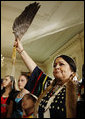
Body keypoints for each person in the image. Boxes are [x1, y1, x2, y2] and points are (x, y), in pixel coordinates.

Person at [14, 38, 78, 118]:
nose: (56, 67)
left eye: (61, 64)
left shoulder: (78, 89)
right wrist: (21, 51)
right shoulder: (49, 86)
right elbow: (36, 72)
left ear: (72, 70)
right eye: (54, 65)